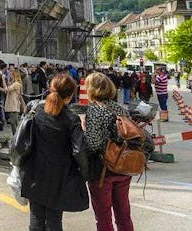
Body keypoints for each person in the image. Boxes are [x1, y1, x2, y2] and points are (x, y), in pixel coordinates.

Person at [19, 74, 89, 231]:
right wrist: (85, 174)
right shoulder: (71, 118)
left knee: (36, 218)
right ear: (71, 94)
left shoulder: (35, 108)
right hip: (59, 175)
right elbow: (79, 151)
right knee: (54, 221)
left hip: (33, 170)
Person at [83, 72, 135, 231]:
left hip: (103, 170)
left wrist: (84, 130)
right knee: (124, 214)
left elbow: (93, 144)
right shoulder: (121, 109)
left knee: (104, 217)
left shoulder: (94, 110)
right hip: (124, 166)